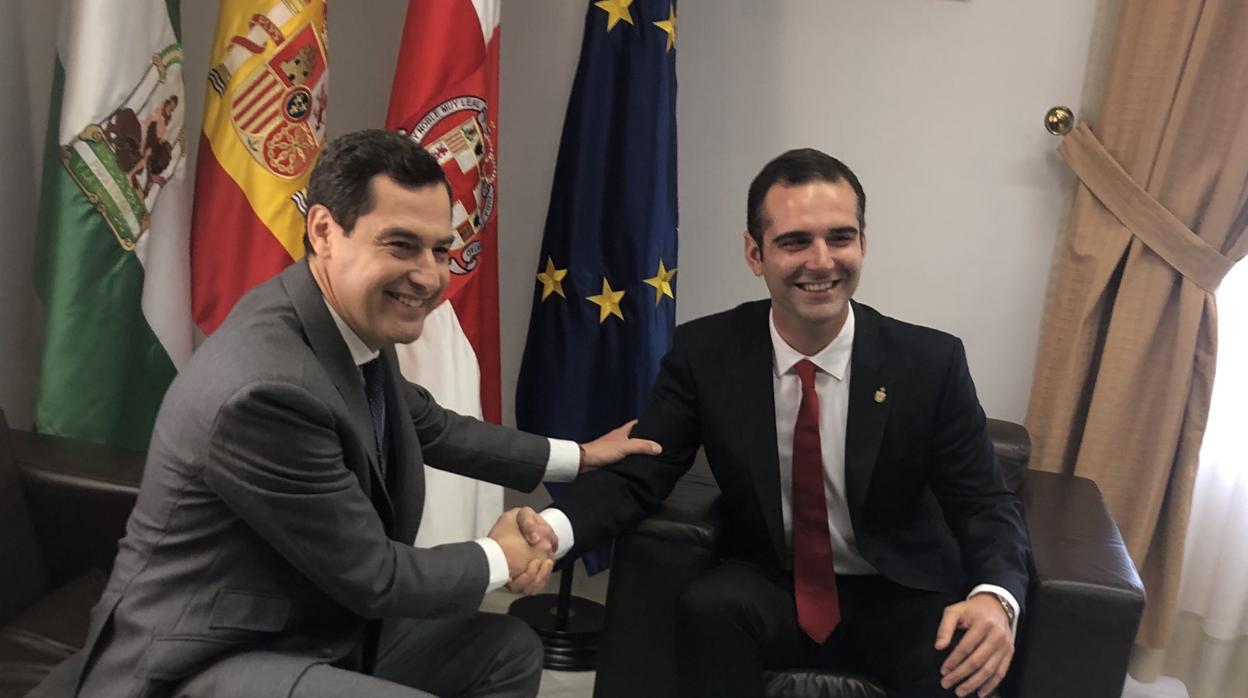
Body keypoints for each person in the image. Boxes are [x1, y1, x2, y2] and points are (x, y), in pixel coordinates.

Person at [30, 129, 657, 698]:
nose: (430, 276)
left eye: (440, 250)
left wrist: (580, 457)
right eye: (401, 245)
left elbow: (430, 426)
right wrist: (500, 556)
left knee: (508, 652)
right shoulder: (268, 387)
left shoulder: (345, 324)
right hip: (202, 656)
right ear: (325, 231)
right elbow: (375, 577)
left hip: (312, 620)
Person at [537, 149, 1031, 698]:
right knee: (708, 607)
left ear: (863, 244)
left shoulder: (930, 363)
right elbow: (641, 474)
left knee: (966, 650)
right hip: (770, 581)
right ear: (755, 253)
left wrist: (996, 596)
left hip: (901, 589)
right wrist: (551, 532)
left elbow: (985, 502)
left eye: (840, 238)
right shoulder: (706, 352)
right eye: (795, 241)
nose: (821, 261)